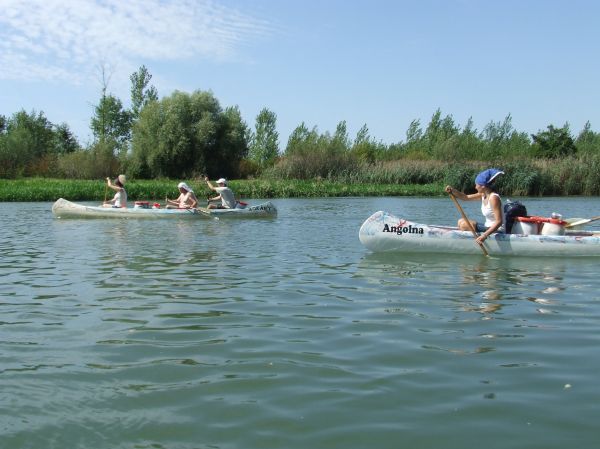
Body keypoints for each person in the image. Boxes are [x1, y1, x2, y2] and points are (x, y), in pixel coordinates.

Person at [445, 168, 505, 245]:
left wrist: (484, 235)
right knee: (460, 221)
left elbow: (499, 222)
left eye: (477, 184)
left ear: (483, 186)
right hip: (487, 226)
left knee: (464, 225)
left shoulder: (494, 198)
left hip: (497, 230)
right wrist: (453, 190)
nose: (475, 187)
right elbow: (465, 197)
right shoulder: (483, 195)